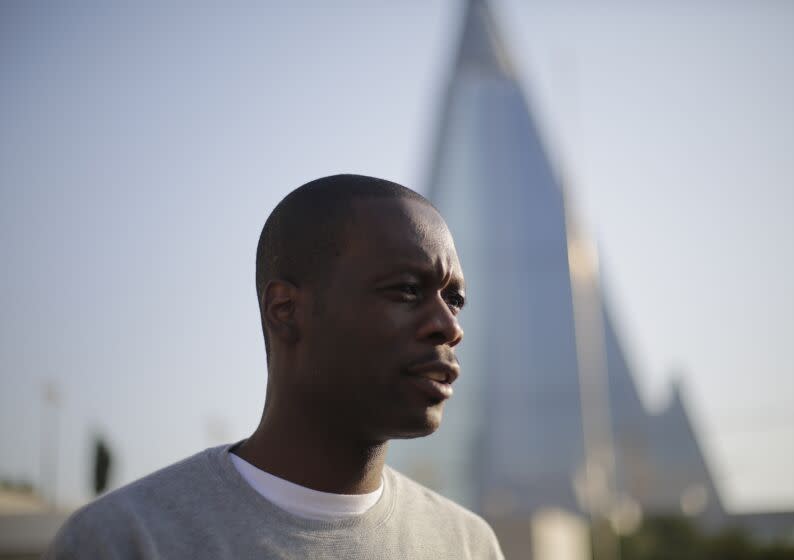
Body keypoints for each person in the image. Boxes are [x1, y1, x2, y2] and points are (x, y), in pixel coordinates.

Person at [46, 174, 504, 559]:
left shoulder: (467, 545)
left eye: (455, 300)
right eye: (406, 290)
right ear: (285, 309)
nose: (449, 327)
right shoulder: (125, 542)